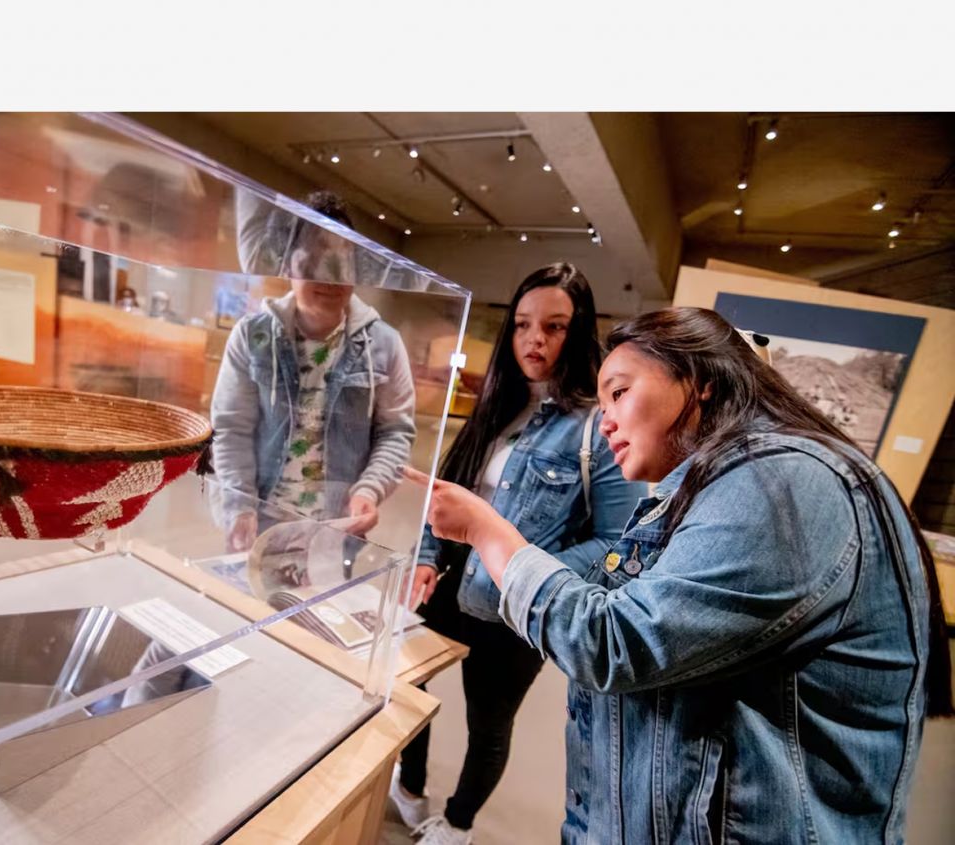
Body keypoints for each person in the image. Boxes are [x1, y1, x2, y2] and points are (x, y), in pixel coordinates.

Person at [408, 306, 952, 844]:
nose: (606, 421)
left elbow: (614, 642)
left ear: (699, 380)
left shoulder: (787, 482)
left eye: (620, 392)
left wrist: (490, 535)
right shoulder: (718, 486)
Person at [391, 264, 648, 844]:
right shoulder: (496, 404)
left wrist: (522, 569)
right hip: (449, 583)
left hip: (514, 605)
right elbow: (448, 493)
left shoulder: (597, 427)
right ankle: (410, 786)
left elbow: (616, 543)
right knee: (408, 688)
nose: (535, 340)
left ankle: (457, 825)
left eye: (554, 327)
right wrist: (428, 554)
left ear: (577, 333)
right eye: (523, 325)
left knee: (488, 723)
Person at [211, 190, 416, 550]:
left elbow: (395, 432)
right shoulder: (252, 335)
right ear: (288, 262)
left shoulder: (385, 343)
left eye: (342, 260)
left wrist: (368, 490)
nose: (330, 276)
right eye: (315, 258)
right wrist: (239, 505)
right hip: (260, 522)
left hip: (337, 530)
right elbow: (231, 428)